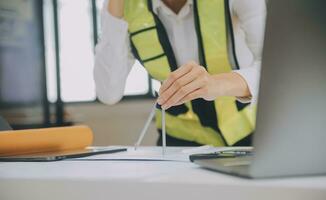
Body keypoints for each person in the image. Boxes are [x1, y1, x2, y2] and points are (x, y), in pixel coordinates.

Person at [94, 0, 266, 146]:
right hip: (178, 144)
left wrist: (217, 84)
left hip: (253, 134)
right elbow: (108, 92)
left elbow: (277, 69)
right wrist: (114, 13)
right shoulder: (123, 7)